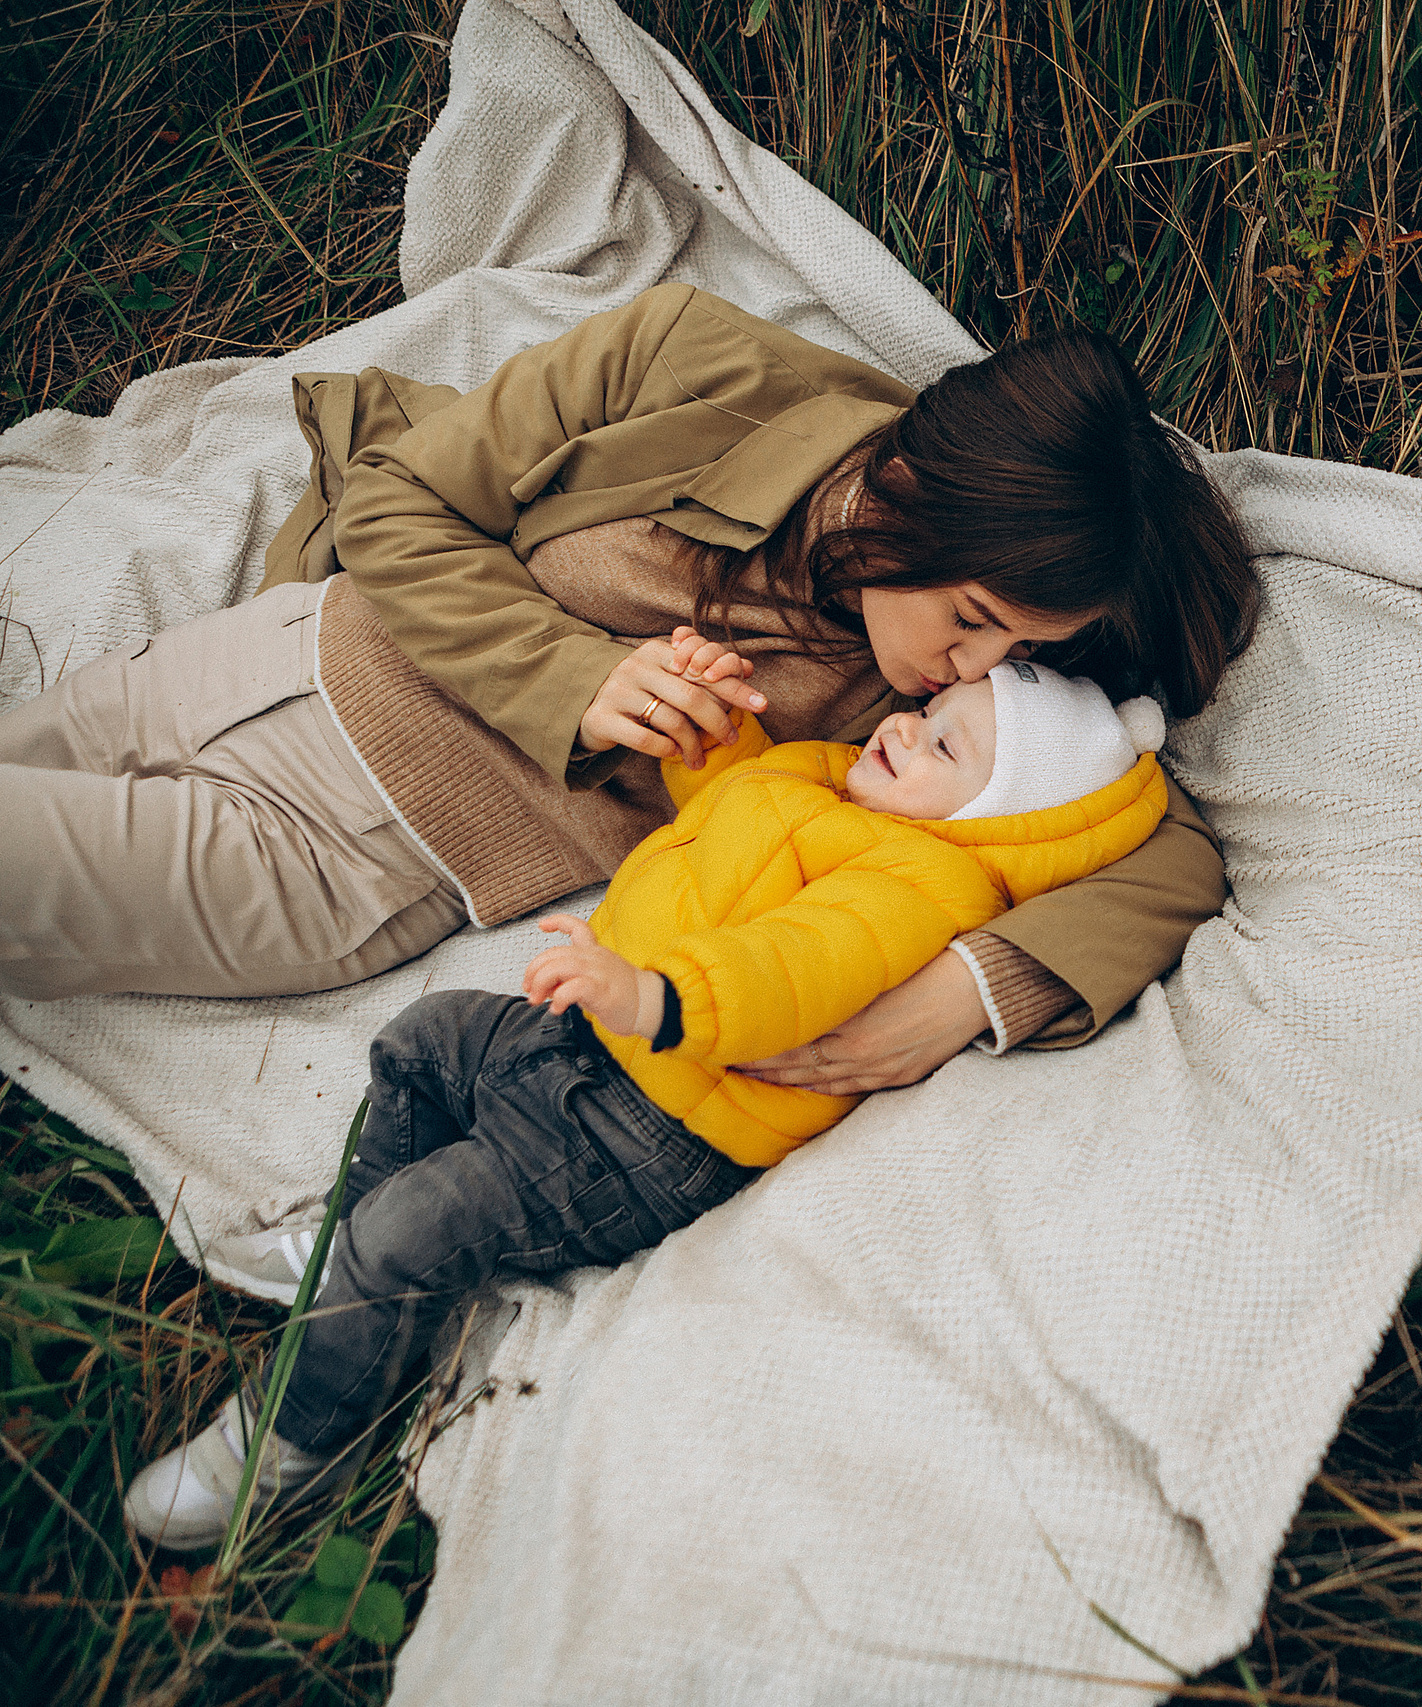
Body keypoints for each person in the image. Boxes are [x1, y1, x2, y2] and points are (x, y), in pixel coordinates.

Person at [0, 281, 1256, 1097]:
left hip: (344, 851)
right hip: (256, 657)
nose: (975, 670)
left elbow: (1162, 849)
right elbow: (400, 499)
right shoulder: (695, 362)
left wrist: (965, 994)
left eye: (1013, 651)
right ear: (909, 495)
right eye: (974, 621)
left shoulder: (935, 720)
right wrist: (579, 679)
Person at [124, 646, 1171, 1547]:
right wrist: (705, 738)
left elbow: (796, 968)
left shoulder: (922, 885)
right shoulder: (834, 783)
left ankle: (296, 1438)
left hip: (648, 1133)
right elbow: (732, 824)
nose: (907, 726)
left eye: (949, 747)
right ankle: (352, 1265)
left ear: (1000, 815)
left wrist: (653, 994)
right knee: (423, 1038)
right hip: (590, 1039)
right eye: (930, 712)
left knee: (425, 1219)